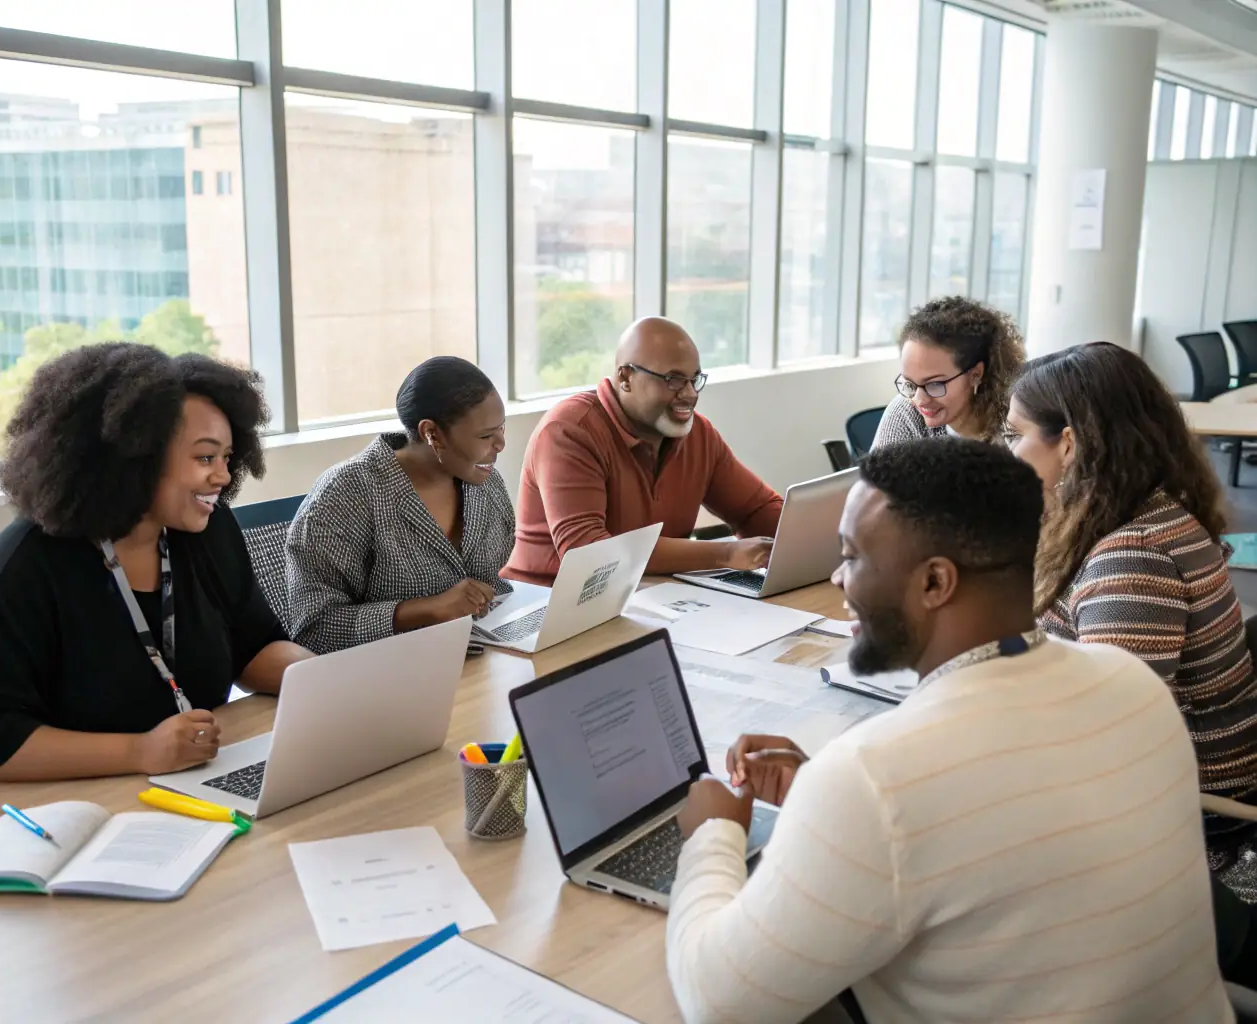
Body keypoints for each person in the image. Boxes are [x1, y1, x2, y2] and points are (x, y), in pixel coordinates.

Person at [665, 439, 1228, 1024]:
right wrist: (826, 811)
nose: (837, 578)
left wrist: (714, 833)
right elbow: (1001, 832)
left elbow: (716, 1004)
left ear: (935, 583)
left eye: (854, 557)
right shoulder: (1132, 681)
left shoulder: (875, 778)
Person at [0, 343, 314, 792]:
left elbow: (253, 647)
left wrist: (326, 681)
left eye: (227, 458)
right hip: (70, 805)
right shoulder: (29, 563)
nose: (224, 477)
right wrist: (139, 751)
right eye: (205, 457)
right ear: (135, 458)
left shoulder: (207, 532)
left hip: (191, 782)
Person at [1008, 341, 1257, 874]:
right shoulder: (1140, 511)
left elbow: (1114, 736)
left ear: (1069, 444)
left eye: (1016, 435)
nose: (1009, 451)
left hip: (1196, 826)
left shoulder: (1132, 556)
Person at [504, 317, 782, 585]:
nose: (689, 394)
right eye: (673, 380)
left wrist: (811, 540)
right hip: (548, 604)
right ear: (625, 377)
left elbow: (754, 510)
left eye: (694, 379)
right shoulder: (570, 431)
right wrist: (726, 554)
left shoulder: (699, 434)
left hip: (648, 597)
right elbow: (586, 552)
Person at [286, 357, 514, 652]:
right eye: (485, 435)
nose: (500, 444)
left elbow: (494, 587)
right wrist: (426, 609)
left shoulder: (485, 484)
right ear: (431, 433)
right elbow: (313, 630)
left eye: (501, 429)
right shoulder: (346, 495)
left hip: (477, 659)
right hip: (383, 677)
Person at [870, 295, 1024, 449]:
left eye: (934, 384)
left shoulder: (1018, 423)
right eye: (910, 384)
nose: (919, 399)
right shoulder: (906, 412)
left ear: (975, 374)